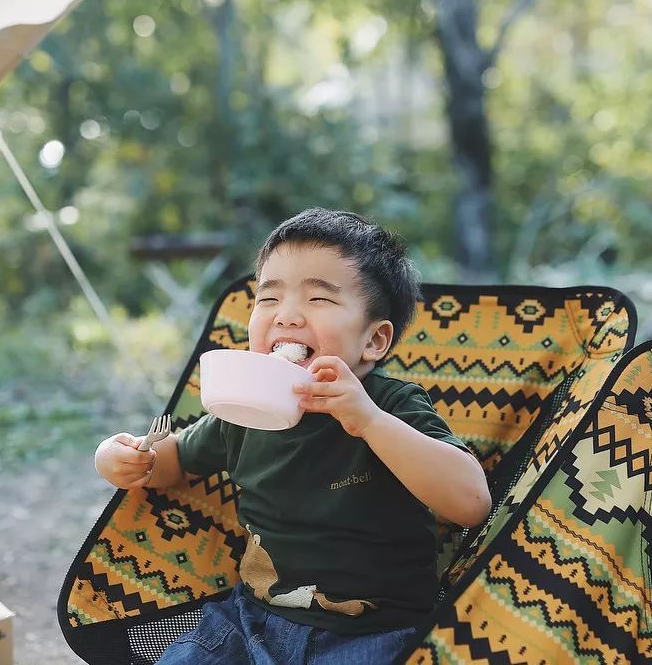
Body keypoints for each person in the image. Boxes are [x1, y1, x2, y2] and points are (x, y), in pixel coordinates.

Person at [94, 208, 491, 663]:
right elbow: (171, 460)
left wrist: (368, 422)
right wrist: (121, 455)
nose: (286, 317)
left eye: (318, 299)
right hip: (249, 621)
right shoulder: (242, 408)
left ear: (374, 342)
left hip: (373, 634)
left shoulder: (391, 406)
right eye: (268, 299)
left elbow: (471, 502)